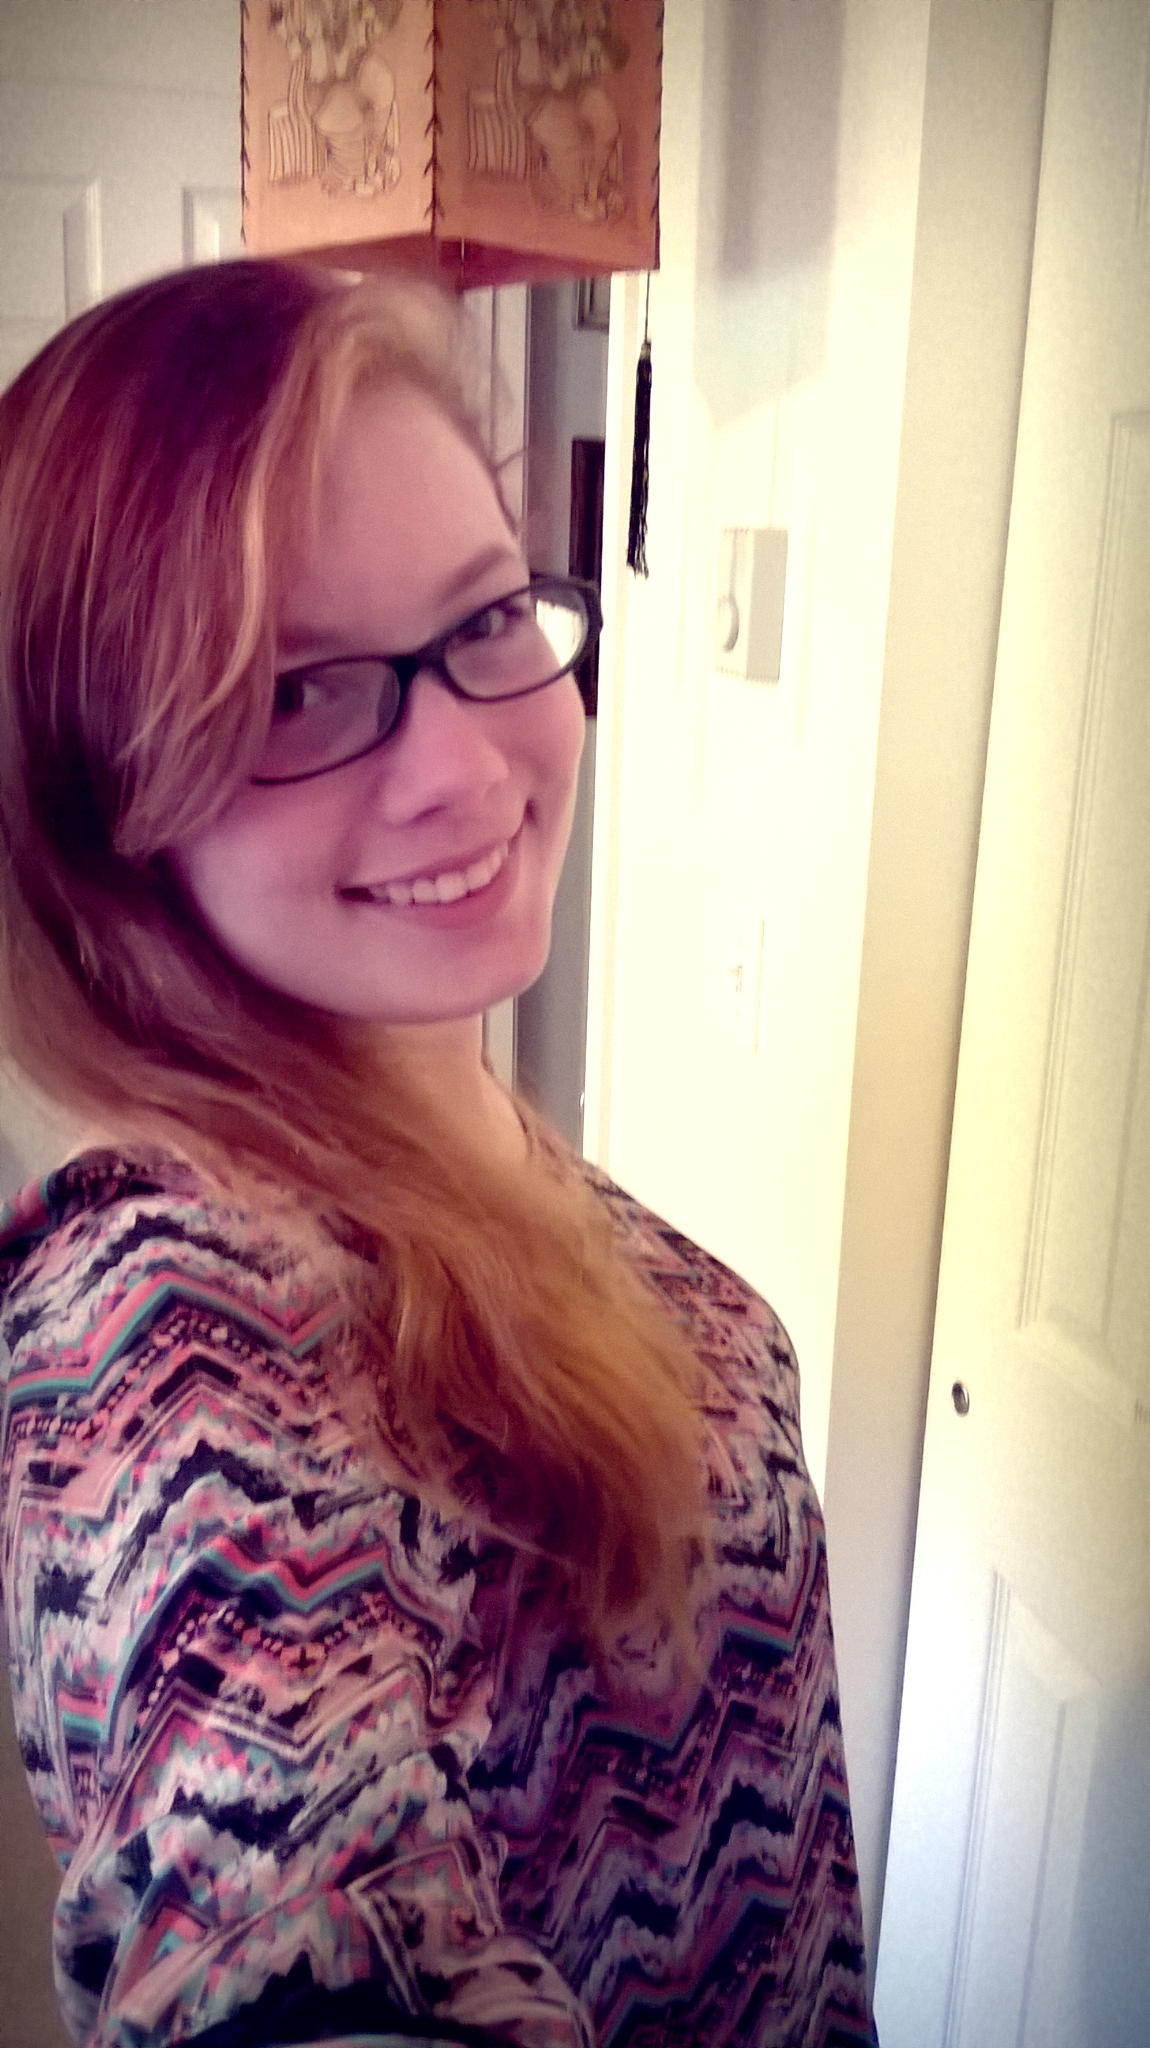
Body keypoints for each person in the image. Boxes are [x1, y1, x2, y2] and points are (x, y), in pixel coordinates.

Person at [0, 260, 875, 2048]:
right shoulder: (162, 1301)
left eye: (485, 619)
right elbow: (282, 1904)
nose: (466, 771)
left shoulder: (431, 1105)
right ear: (103, 810)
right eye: (297, 695)